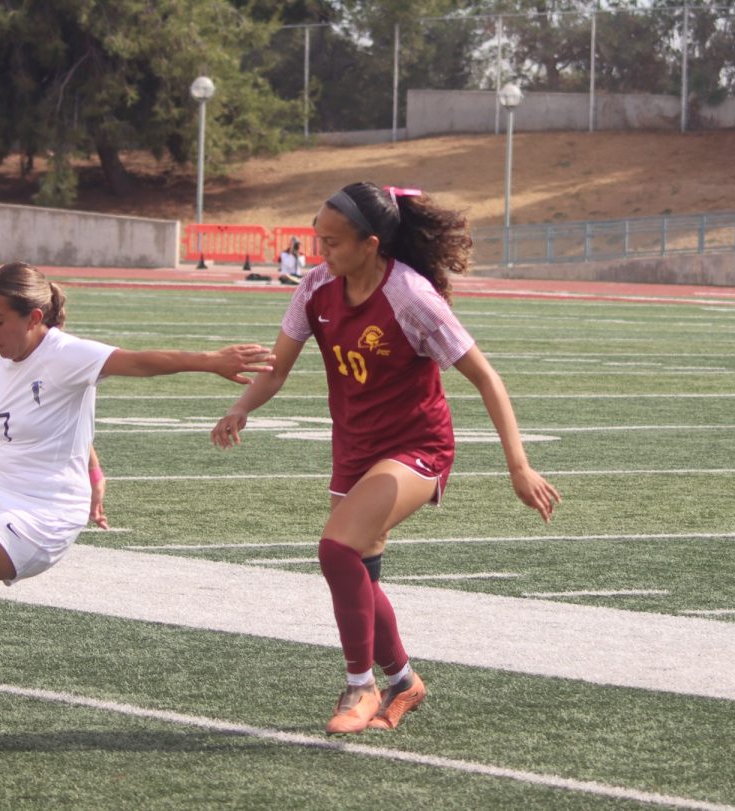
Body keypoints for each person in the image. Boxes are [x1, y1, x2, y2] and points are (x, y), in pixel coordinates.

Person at [0, 261, 273, 744]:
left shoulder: (64, 352)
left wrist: (212, 359)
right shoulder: (12, 352)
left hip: (43, 514)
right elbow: (65, 412)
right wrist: (95, 470)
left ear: (34, 317)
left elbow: (139, 361)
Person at [211, 182, 560, 736]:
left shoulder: (410, 295)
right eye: (317, 241)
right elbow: (278, 368)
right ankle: (403, 681)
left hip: (417, 447)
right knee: (359, 576)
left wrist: (518, 466)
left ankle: (360, 686)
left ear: (370, 244)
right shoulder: (316, 288)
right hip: (354, 449)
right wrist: (241, 407)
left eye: (332, 243)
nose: (320, 254)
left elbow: (486, 378)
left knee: (335, 548)